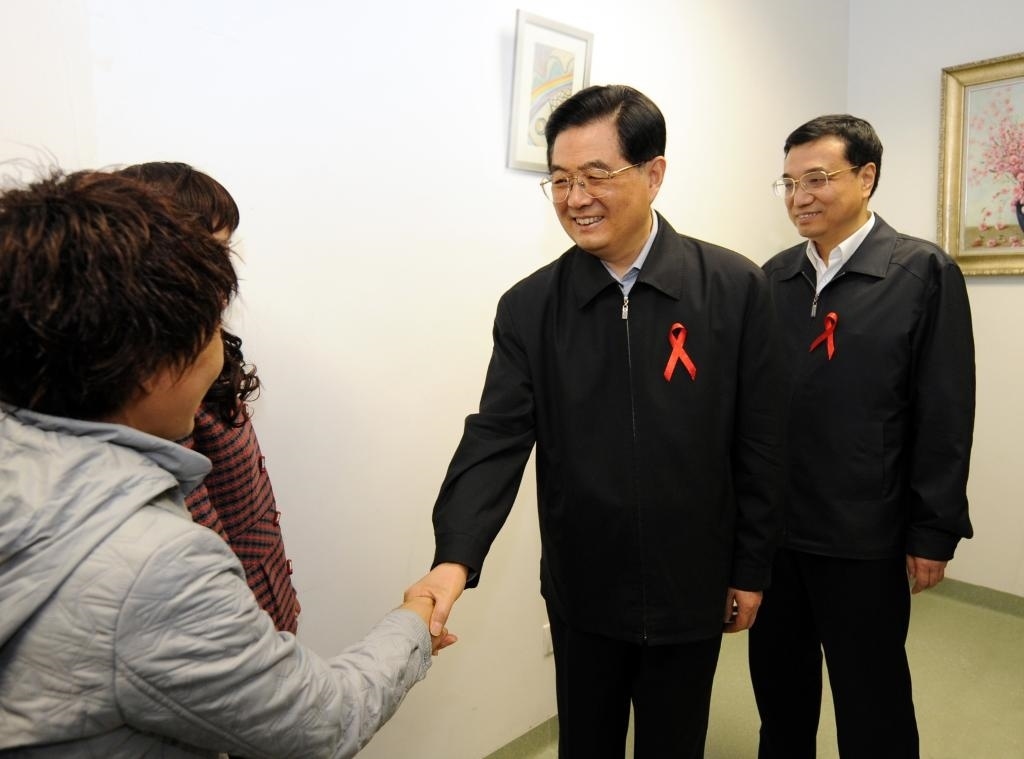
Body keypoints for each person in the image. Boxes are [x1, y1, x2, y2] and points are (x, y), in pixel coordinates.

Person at [0, 169, 454, 757]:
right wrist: (414, 620)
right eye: (207, 322)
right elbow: (325, 721)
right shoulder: (159, 566)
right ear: (155, 363)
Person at [405, 84, 786, 758]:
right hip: (584, 588)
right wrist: (453, 558)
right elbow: (495, 437)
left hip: (692, 583)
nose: (575, 198)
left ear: (654, 174)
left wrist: (750, 567)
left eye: (596, 175)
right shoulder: (530, 308)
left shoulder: (733, 288)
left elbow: (760, 441)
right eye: (559, 179)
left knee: (675, 744)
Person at [751, 114, 975, 758]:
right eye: (789, 183)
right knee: (780, 693)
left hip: (865, 534)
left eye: (817, 178)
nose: (800, 197)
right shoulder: (773, 277)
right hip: (778, 534)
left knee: (871, 699)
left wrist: (932, 530)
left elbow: (945, 411)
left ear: (867, 176)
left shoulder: (922, 272)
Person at [116, 161, 300, 634]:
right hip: (230, 615)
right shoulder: (161, 388)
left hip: (264, 591)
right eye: (207, 251)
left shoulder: (207, 346)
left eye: (225, 250)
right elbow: (198, 535)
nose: (222, 271)